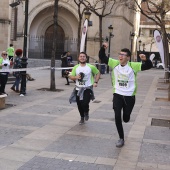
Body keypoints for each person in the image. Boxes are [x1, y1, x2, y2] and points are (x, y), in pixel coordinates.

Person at [99, 42, 153, 148]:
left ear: (128, 57)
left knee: (126, 118)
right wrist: (103, 48)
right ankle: (121, 138)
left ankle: (127, 116)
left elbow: (148, 66)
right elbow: (102, 57)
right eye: (120, 54)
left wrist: (145, 59)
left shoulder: (134, 66)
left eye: (123, 55)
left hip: (130, 96)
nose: (120, 56)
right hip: (118, 94)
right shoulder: (114, 63)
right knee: (117, 116)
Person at [69, 52, 100, 125]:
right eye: (81, 56)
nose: (82, 58)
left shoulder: (90, 67)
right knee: (79, 104)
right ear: (78, 58)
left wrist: (96, 82)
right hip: (78, 89)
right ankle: (82, 117)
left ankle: (86, 112)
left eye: (84, 56)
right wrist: (76, 77)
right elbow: (71, 76)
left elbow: (98, 73)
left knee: (85, 103)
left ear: (86, 58)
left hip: (87, 89)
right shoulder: (76, 67)